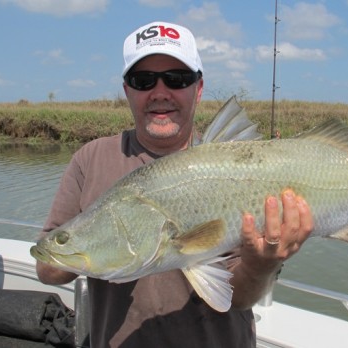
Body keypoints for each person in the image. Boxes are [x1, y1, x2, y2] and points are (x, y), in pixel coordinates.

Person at [36, 21, 314, 347]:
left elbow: (236, 298)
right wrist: (92, 254)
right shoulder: (90, 158)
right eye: (143, 80)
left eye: (177, 79)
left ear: (198, 88)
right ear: (127, 90)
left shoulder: (242, 168)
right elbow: (46, 265)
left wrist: (261, 264)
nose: (160, 92)